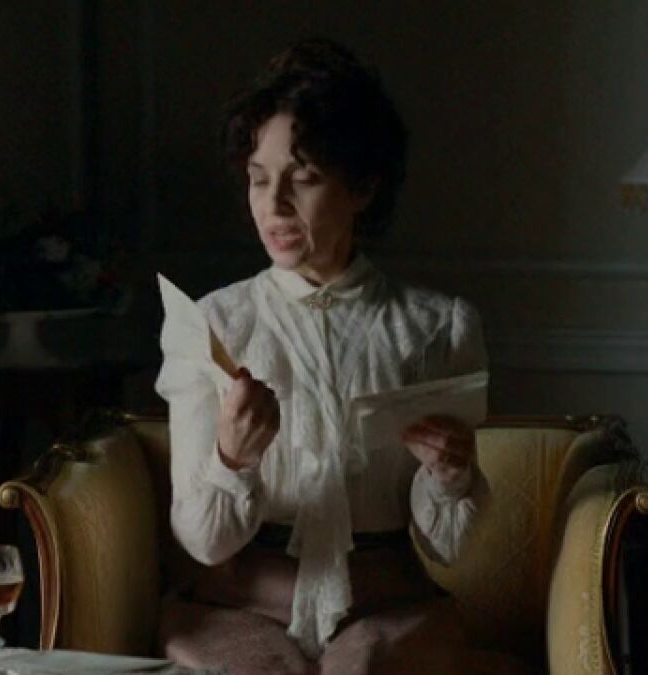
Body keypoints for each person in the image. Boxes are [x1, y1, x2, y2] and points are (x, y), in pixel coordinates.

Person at [155, 38, 522, 674]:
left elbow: (452, 549)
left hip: (388, 604)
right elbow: (203, 542)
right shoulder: (214, 323)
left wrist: (452, 476)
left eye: (304, 179)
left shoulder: (437, 327)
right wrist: (232, 458)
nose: (274, 205)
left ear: (363, 187)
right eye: (259, 179)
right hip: (239, 604)